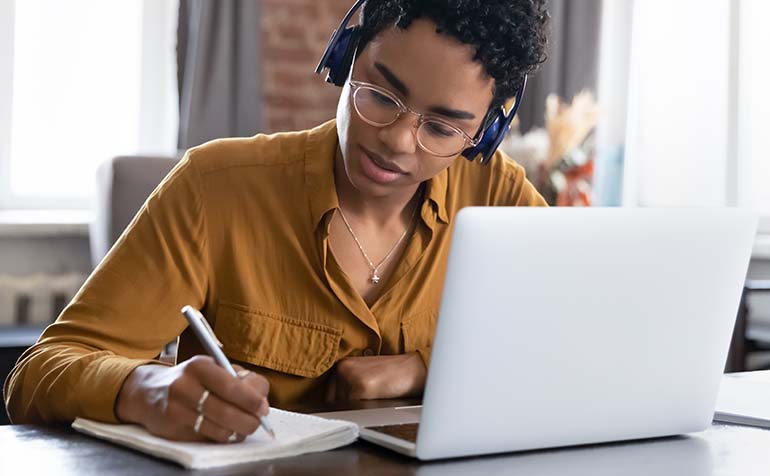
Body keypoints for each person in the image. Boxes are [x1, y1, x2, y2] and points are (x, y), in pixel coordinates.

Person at [4, 0, 549, 443]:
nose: (398, 140)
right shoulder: (215, 187)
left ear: (486, 131)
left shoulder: (499, 197)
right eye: (382, 95)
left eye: (441, 127)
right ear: (345, 57)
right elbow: (37, 375)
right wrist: (148, 387)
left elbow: (565, 346)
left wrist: (425, 368)